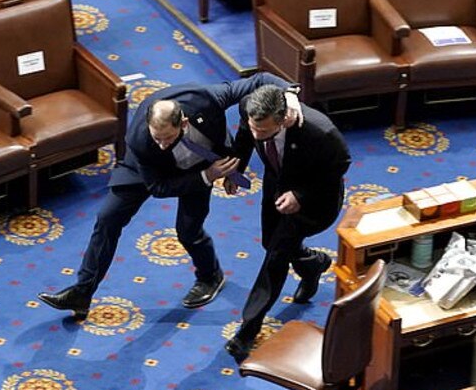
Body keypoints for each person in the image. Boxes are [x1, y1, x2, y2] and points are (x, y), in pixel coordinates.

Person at [38, 73, 290, 319]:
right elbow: (158, 187)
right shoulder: (141, 140)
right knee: (107, 218)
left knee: (188, 231)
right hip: (147, 170)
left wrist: (290, 95)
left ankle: (210, 276)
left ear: (183, 123)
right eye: (156, 137)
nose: (161, 143)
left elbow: (259, 80)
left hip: (201, 163)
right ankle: (82, 292)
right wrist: (205, 177)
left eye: (167, 138)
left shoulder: (205, 98)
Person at [224, 83, 351, 362]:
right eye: (254, 127)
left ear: (284, 119)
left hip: (315, 201)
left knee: (276, 256)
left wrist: (301, 196)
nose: (258, 134)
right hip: (276, 188)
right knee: (271, 241)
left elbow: (339, 165)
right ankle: (313, 263)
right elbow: (245, 136)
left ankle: (247, 331)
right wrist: (236, 170)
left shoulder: (320, 131)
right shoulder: (252, 109)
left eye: (265, 132)